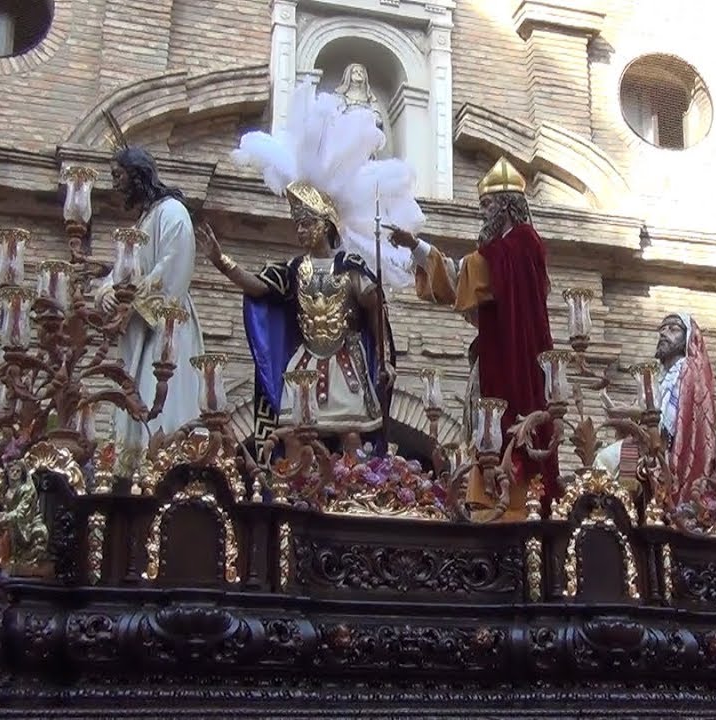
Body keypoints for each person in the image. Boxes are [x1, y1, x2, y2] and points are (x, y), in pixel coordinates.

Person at [209, 85, 425, 461]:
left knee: (353, 434)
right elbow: (259, 288)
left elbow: (375, 309)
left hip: (347, 360)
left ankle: (353, 486)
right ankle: (297, 480)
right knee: (296, 433)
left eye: (307, 223)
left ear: (326, 225)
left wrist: (385, 356)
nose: (301, 230)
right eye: (298, 224)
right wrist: (221, 261)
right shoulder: (295, 269)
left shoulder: (350, 266)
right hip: (307, 363)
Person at [388, 157, 558, 521]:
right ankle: (487, 500)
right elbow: (467, 284)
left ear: (507, 206)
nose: (482, 215)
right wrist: (419, 249)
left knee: (503, 424)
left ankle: (509, 504)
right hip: (499, 352)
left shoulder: (519, 245)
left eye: (487, 206)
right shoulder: (505, 252)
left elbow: (460, 277)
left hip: (512, 361)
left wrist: (417, 245)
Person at [95, 146, 207, 470]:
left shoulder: (172, 212)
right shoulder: (142, 223)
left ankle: (162, 467)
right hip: (138, 335)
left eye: (118, 175)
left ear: (137, 174)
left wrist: (130, 301)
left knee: (160, 402)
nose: (115, 184)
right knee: (133, 403)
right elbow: (121, 272)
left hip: (165, 329)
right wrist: (105, 295)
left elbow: (172, 269)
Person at [596, 313, 716, 505]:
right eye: (662, 329)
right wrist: (617, 409)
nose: (664, 333)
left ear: (687, 338)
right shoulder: (661, 375)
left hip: (668, 447)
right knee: (608, 462)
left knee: (604, 461)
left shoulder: (687, 369)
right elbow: (647, 411)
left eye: (673, 329)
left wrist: (626, 414)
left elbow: (665, 418)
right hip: (647, 442)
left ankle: (610, 515)